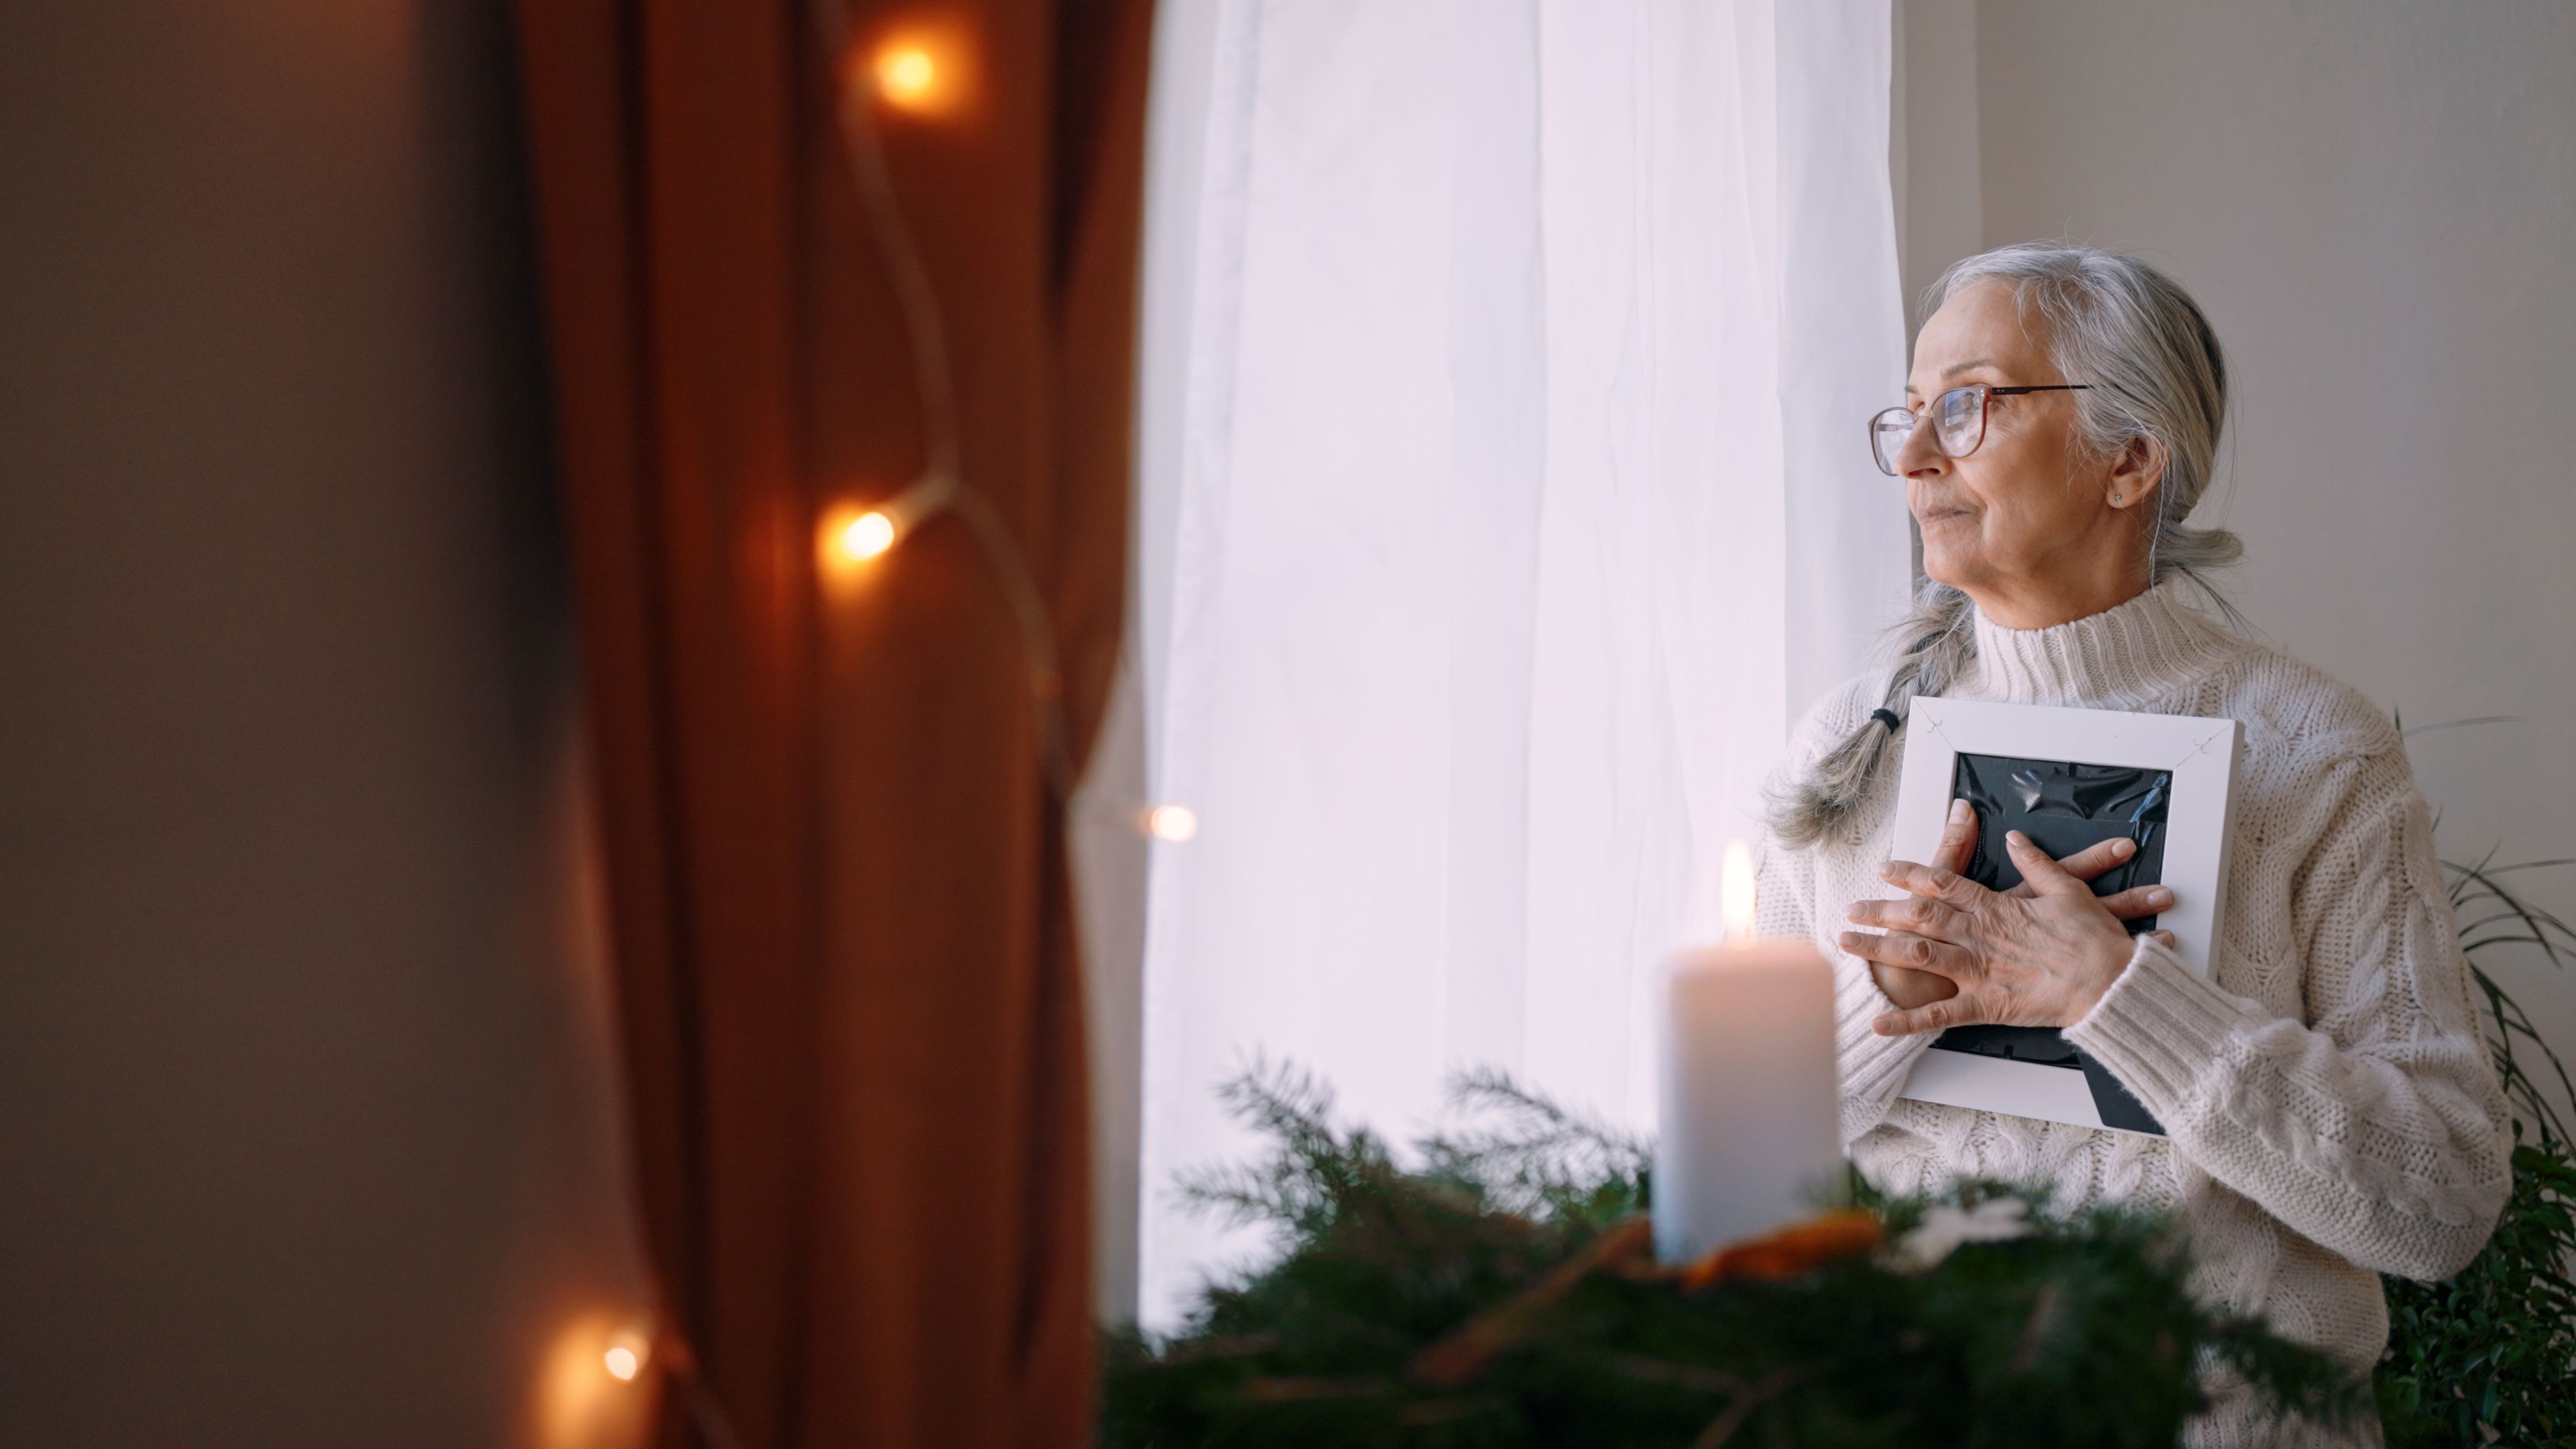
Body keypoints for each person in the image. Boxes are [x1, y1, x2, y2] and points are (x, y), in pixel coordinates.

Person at [1759, 243, 2510, 1446]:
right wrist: (1881, 998)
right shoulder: (1844, 749)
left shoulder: (2314, 754)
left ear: (2131, 458)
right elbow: (1731, 1169)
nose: (1913, 458)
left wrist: (2118, 997)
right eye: (1905, 415)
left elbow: (2442, 1201)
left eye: (1967, 406)